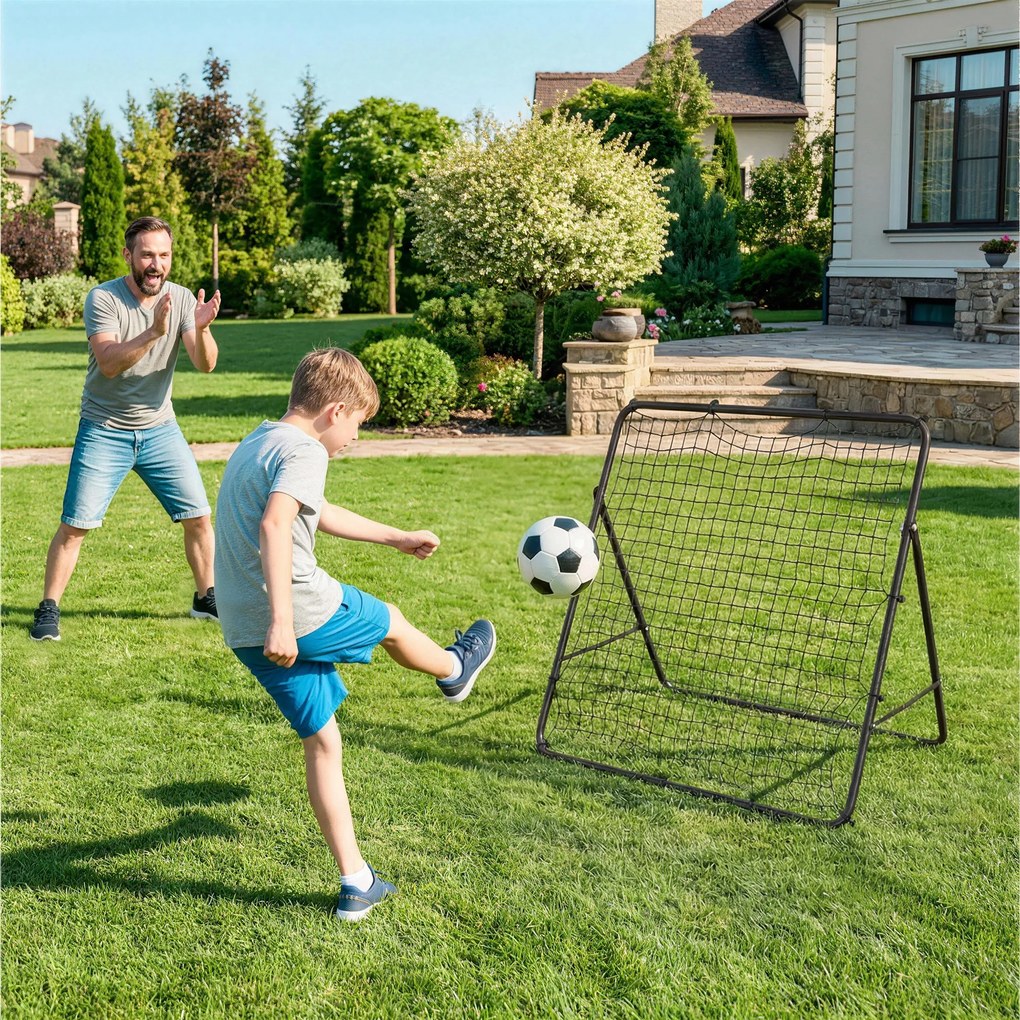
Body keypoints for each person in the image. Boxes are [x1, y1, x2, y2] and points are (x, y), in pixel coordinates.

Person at [214, 347, 495, 922]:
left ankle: (356, 883)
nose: (355, 438)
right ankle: (454, 669)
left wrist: (396, 537)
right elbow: (275, 522)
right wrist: (284, 620)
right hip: (298, 613)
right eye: (359, 424)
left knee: (323, 742)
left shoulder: (259, 441)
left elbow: (312, 512)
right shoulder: (306, 450)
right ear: (335, 411)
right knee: (390, 619)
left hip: (242, 627)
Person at [30, 217, 221, 642]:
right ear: (128, 255)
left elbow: (205, 364)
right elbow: (109, 363)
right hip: (104, 429)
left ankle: (205, 597)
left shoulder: (181, 298)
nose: (157, 265)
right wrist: (153, 331)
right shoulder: (104, 298)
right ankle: (48, 608)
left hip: (160, 429)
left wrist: (203, 328)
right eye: (147, 255)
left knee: (198, 517)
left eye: (164, 255)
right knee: (76, 524)